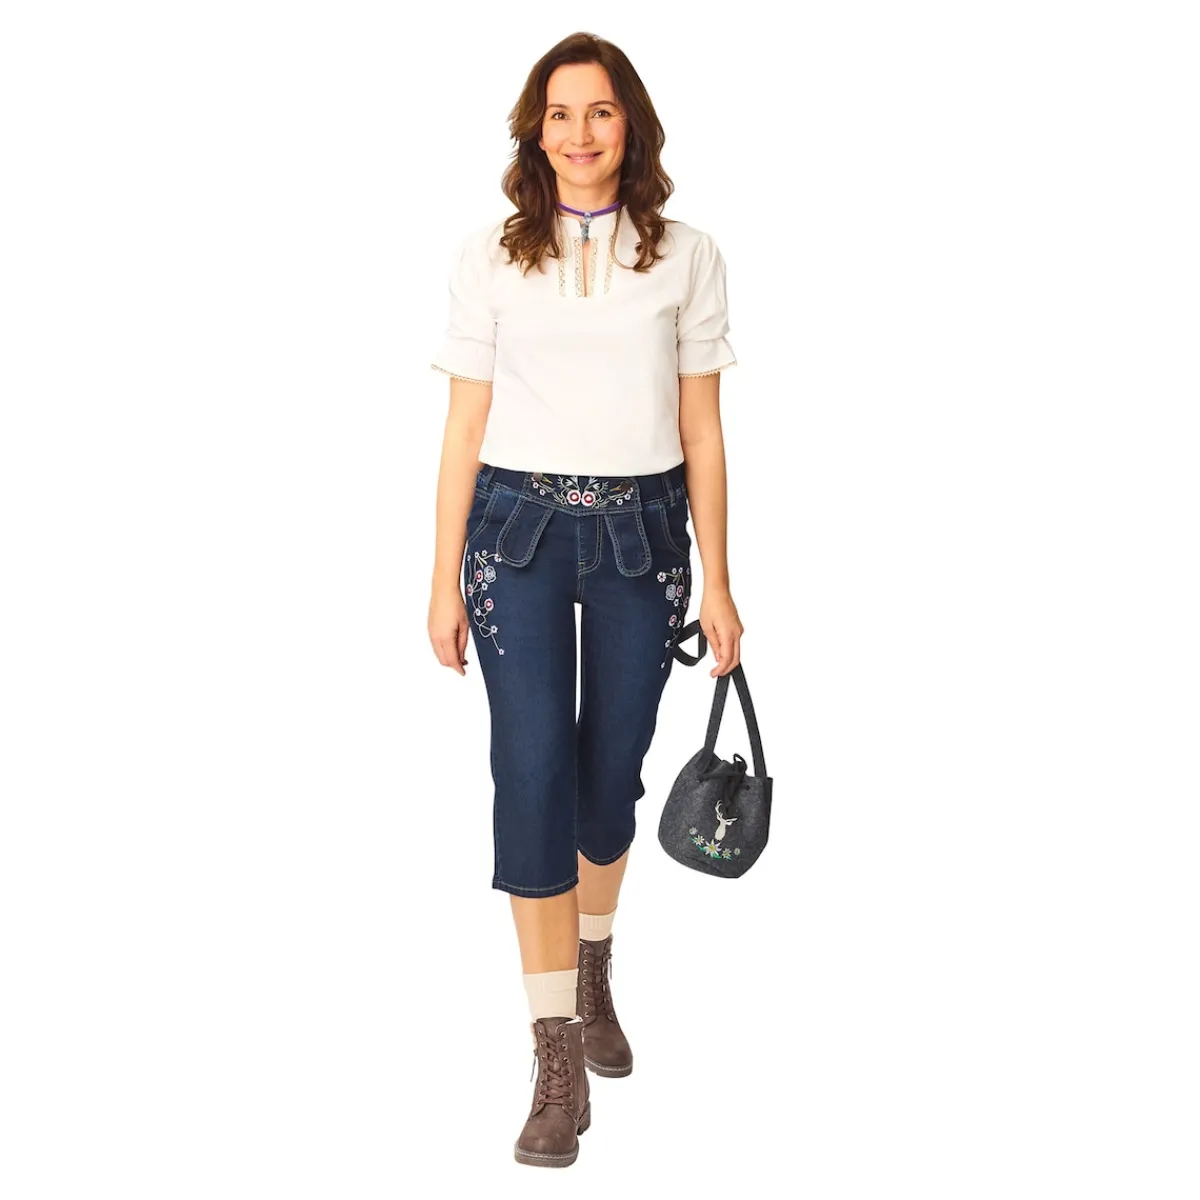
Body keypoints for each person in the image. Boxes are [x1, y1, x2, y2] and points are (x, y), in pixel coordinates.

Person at [426, 32, 744, 1168]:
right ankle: (553, 1052)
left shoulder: (688, 256)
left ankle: (594, 963)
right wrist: (439, 580)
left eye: (599, 112)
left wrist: (722, 580)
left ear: (631, 125)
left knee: (609, 780)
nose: (579, 134)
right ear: (535, 130)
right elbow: (464, 424)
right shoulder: (489, 256)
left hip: (640, 535)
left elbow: (702, 427)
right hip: (514, 532)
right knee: (531, 775)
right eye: (559, 115)